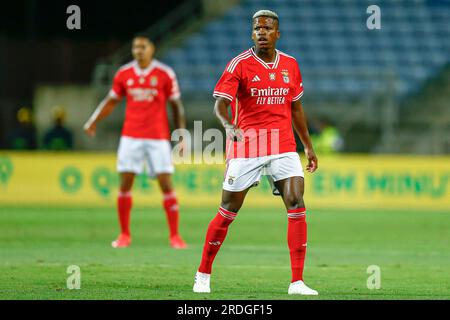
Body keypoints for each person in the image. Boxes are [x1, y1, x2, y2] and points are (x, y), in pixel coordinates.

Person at [193, 10, 319, 295]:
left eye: (267, 28)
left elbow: (296, 109)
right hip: (247, 145)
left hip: (283, 145)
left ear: (278, 34)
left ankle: (297, 282)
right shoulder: (239, 64)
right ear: (252, 34)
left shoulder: (291, 64)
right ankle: (203, 274)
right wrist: (227, 125)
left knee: (296, 201)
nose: (262, 32)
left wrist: (308, 146)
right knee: (228, 211)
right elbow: (220, 105)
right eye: (257, 28)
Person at [83, 34, 188, 249]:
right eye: (135, 47)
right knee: (125, 184)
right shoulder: (124, 74)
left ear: (152, 49)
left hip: (157, 137)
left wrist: (181, 134)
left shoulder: (164, 74)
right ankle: (124, 235)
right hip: (131, 136)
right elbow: (111, 101)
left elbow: (176, 106)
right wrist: (94, 120)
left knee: (166, 184)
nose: (138, 50)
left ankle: (175, 236)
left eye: (143, 46)